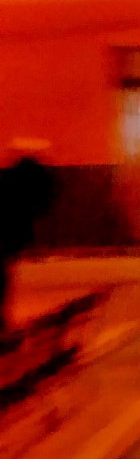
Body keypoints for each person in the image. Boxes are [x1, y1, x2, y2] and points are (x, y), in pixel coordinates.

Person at [0, 140, 57, 331]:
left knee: (3, 275)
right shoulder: (38, 178)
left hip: (9, 232)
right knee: (3, 276)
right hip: (13, 233)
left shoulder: (10, 178)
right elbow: (45, 203)